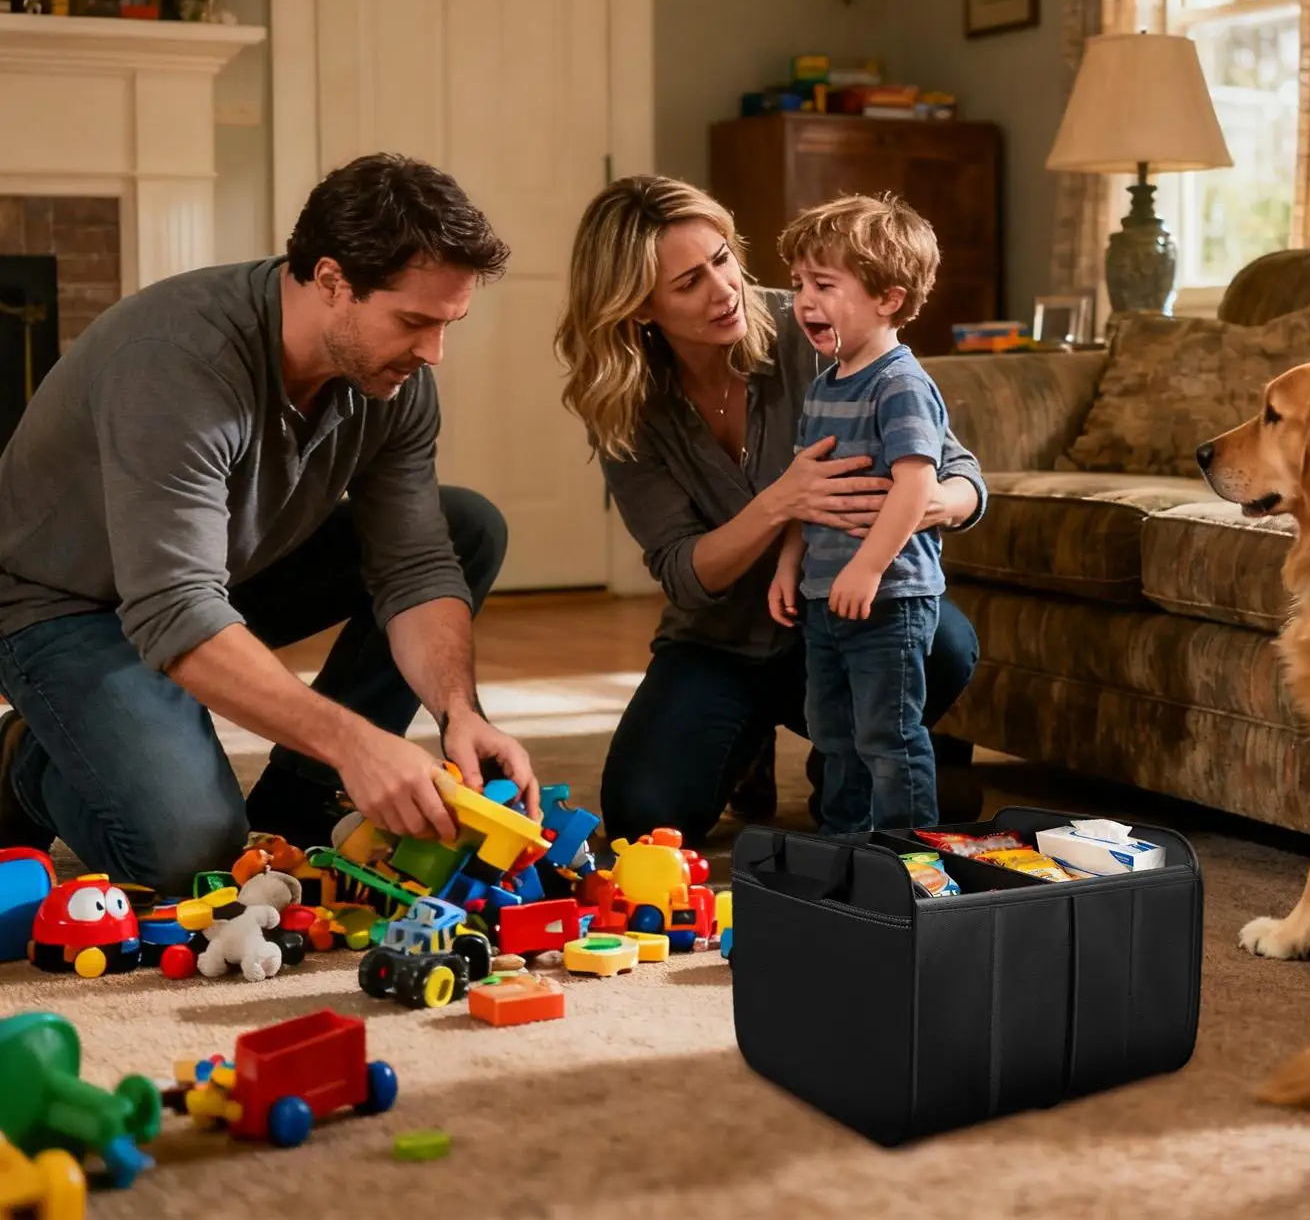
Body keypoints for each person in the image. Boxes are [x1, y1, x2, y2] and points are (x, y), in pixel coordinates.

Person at [0, 153, 534, 894]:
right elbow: (174, 607)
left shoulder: (393, 381)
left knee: (465, 525)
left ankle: (299, 795)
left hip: (215, 574)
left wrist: (458, 712)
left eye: (448, 324)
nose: (432, 353)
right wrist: (358, 742)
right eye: (413, 321)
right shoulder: (178, 361)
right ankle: (29, 760)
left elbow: (412, 565)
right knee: (192, 854)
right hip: (67, 607)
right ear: (330, 280)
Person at [554, 175, 987, 848]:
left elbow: (958, 471)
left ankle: (853, 763)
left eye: (722, 258)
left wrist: (930, 503)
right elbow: (683, 572)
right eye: (689, 281)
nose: (724, 289)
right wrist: (780, 500)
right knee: (643, 818)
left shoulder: (812, 325)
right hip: (719, 638)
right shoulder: (624, 403)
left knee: (941, 641)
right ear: (640, 307)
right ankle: (752, 743)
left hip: (839, 615)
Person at [768, 194, 949, 833]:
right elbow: (805, 488)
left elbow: (915, 486)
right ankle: (842, 844)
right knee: (832, 733)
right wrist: (790, 563)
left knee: (888, 736)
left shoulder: (900, 384)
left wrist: (869, 568)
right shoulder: (824, 386)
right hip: (826, 597)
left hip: (890, 598)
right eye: (798, 285)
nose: (803, 301)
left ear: (889, 299)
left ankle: (911, 855)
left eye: (823, 285)